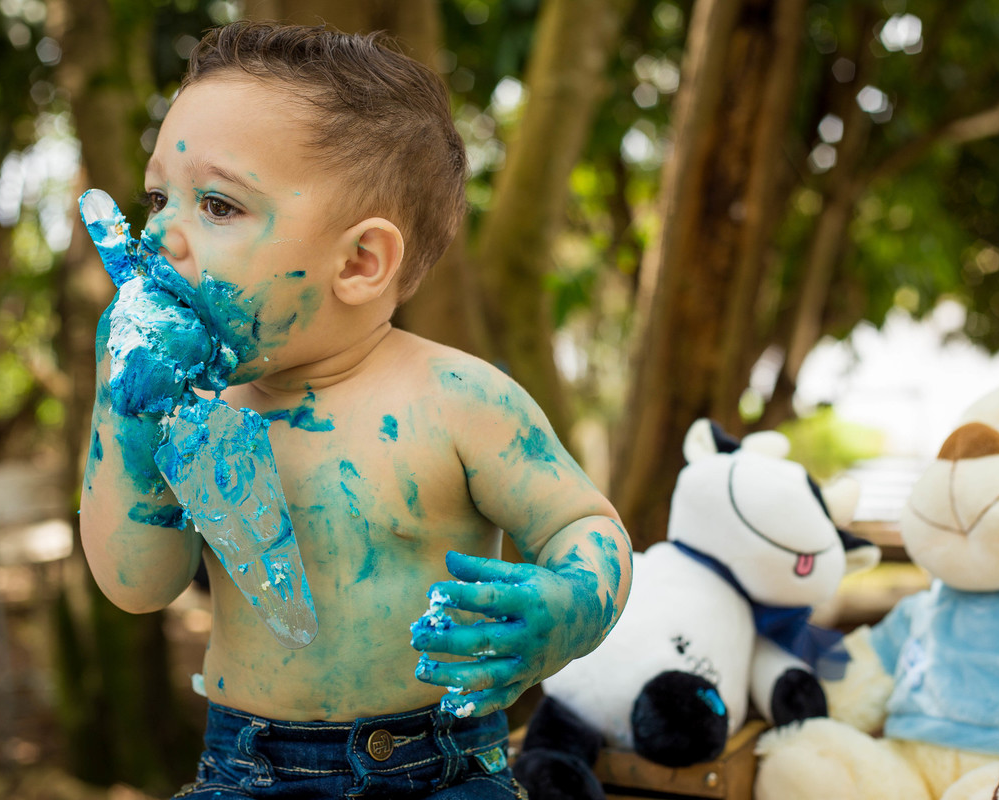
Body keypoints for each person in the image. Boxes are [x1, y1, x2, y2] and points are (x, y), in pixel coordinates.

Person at [79, 20, 633, 800]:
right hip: (248, 768)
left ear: (360, 262)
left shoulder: (457, 399)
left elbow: (586, 527)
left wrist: (567, 609)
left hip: (441, 763)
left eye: (216, 204)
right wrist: (126, 413)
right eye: (157, 197)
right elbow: (137, 584)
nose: (163, 232)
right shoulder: (191, 413)